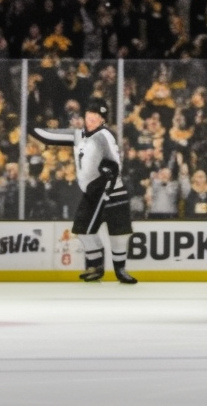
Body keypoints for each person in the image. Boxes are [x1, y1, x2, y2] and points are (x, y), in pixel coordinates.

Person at [32, 97, 137, 285]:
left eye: (98, 115)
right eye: (91, 113)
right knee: (82, 230)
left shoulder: (104, 136)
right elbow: (48, 136)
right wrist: (30, 123)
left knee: (118, 233)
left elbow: (114, 163)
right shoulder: (78, 135)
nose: (93, 117)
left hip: (113, 192)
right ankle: (96, 266)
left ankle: (120, 269)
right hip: (92, 193)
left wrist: (109, 175)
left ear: (103, 119)